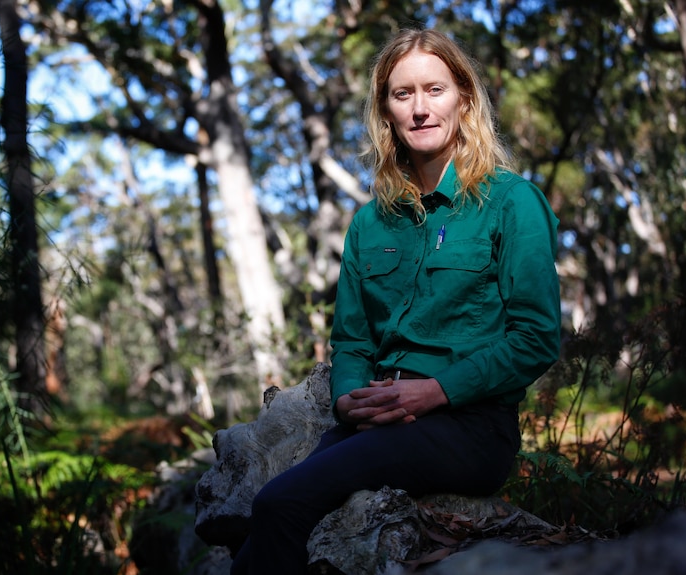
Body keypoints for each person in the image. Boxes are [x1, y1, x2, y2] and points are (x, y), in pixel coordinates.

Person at [229, 27, 561, 574]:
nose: (420, 109)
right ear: (385, 110)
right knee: (266, 514)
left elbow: (536, 338)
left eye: (435, 90)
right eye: (402, 94)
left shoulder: (511, 202)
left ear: (465, 98)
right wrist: (348, 401)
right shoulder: (368, 222)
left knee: (281, 504)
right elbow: (353, 341)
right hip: (379, 422)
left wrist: (435, 391)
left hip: (470, 427)